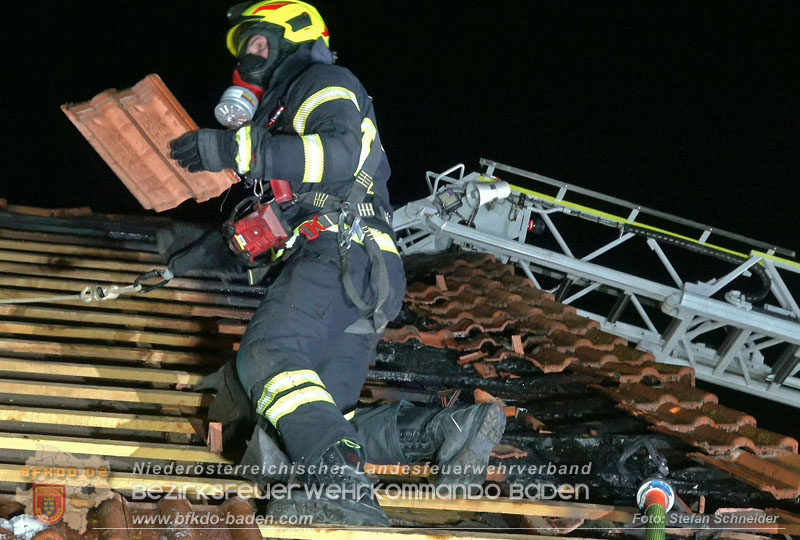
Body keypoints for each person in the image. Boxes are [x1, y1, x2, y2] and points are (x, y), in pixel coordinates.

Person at [169, 0, 505, 526]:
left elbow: (340, 155)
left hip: (338, 255)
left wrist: (234, 150)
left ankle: (344, 490)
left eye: (261, 43)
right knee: (319, 418)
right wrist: (194, 254)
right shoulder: (280, 116)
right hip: (365, 272)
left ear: (294, 39)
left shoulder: (321, 81)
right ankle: (447, 430)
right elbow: (283, 212)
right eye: (246, 50)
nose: (251, 58)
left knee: (267, 357)